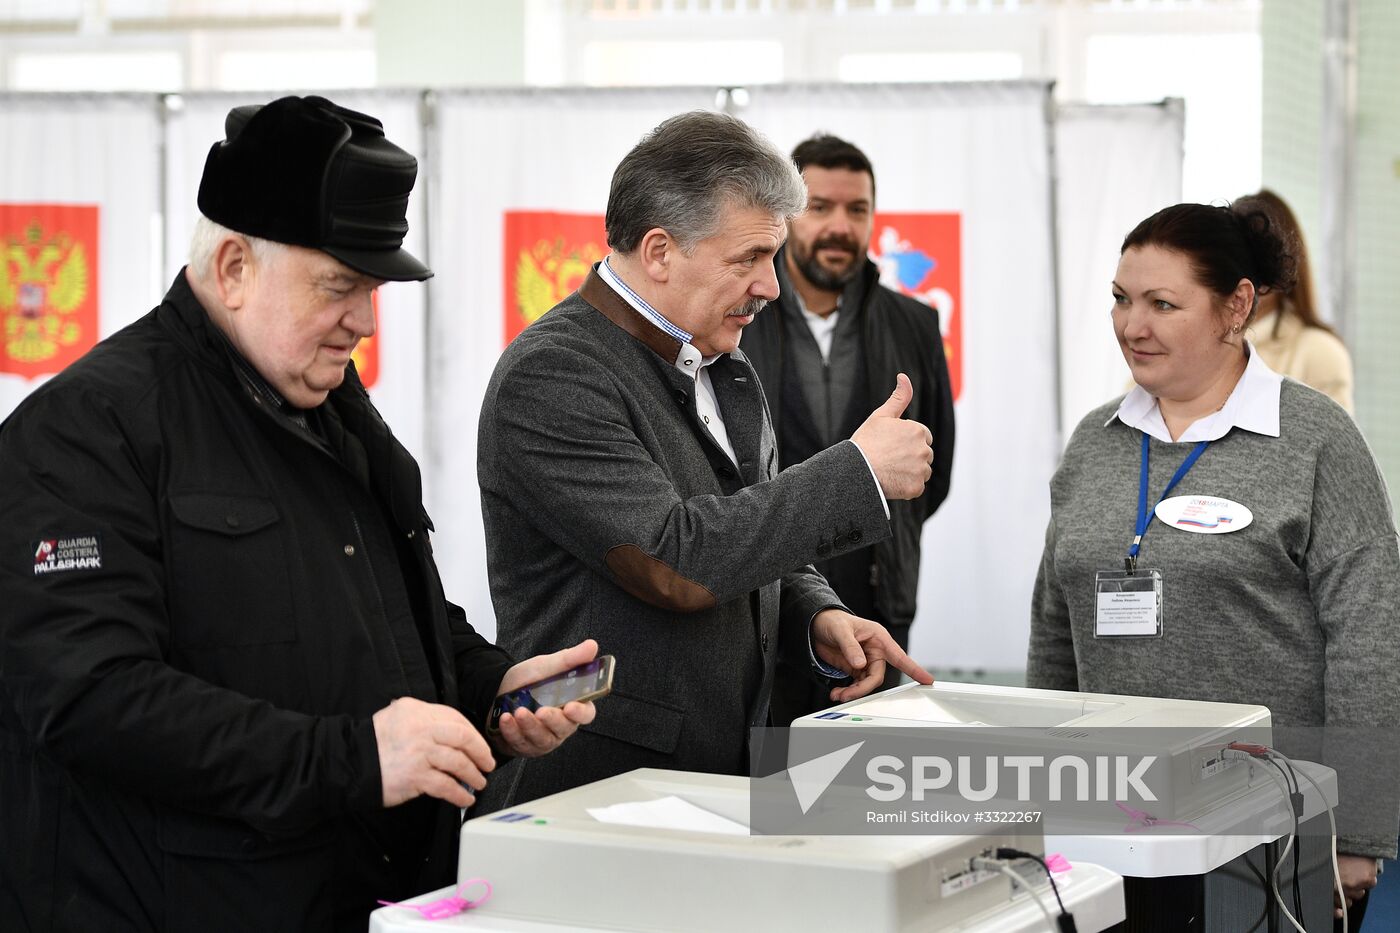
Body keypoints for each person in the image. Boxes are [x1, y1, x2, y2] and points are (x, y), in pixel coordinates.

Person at [0, 96, 596, 933]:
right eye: (339, 286)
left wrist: (491, 685)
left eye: (374, 288)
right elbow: (90, 697)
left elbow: (391, 609)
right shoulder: (86, 429)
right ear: (236, 267)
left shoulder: (334, 410)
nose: (365, 319)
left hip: (369, 900)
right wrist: (356, 758)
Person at [477, 110, 935, 808]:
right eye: (748, 259)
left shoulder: (722, 361)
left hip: (712, 777)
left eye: (772, 257)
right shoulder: (553, 374)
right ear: (659, 251)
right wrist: (859, 470)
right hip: (600, 795)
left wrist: (815, 610)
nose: (771, 286)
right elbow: (673, 558)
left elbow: (742, 520)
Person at [1026, 201, 1399, 928]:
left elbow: (1371, 643)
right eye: (1121, 299)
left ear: (1236, 306)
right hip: (1107, 828)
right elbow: (1052, 634)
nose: (1133, 325)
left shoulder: (1316, 441)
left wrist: (1355, 830)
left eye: (1163, 304)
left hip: (1268, 829)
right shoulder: (1094, 443)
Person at [742, 133, 954, 724]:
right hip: (760, 593)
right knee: (769, 791)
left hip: (877, 598)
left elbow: (930, 467)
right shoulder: (738, 313)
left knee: (862, 796)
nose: (840, 226)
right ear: (784, 216)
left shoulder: (914, 323)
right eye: (820, 207)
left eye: (857, 209)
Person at [1241, 189, 1355, 413]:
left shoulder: (1318, 351)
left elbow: (1336, 446)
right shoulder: (1203, 345)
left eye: (1260, 258)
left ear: (1286, 265)